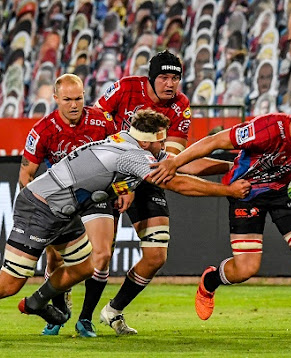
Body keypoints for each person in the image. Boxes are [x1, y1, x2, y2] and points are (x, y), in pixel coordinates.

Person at [0, 110, 251, 341]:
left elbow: (185, 165)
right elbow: (177, 182)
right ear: (149, 142)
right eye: (162, 143)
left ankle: (36, 303)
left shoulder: (127, 142)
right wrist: (228, 190)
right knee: (7, 284)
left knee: (88, 266)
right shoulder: (131, 155)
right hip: (39, 208)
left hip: (62, 211)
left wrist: (234, 164)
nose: (167, 149)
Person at [149, 102, 291, 344]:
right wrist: (174, 162)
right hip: (245, 192)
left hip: (283, 193)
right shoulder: (267, 128)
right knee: (246, 269)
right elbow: (215, 141)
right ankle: (210, 280)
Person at [94, 50, 225, 335]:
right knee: (98, 254)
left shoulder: (181, 106)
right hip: (107, 174)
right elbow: (95, 127)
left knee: (156, 256)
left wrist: (131, 184)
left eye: (175, 78)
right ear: (150, 79)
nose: (170, 84)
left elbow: (170, 162)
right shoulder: (125, 88)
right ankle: (69, 305)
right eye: (164, 77)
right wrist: (120, 182)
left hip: (146, 177)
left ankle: (113, 311)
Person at [19, 74, 120, 337]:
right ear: (55, 99)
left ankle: (85, 319)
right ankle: (58, 311)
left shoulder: (102, 121)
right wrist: (35, 211)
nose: (74, 105)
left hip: (96, 195)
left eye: (79, 98)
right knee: (54, 258)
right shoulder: (42, 130)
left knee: (103, 255)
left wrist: (122, 188)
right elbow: (26, 174)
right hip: (61, 200)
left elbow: (123, 156)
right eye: (67, 99)